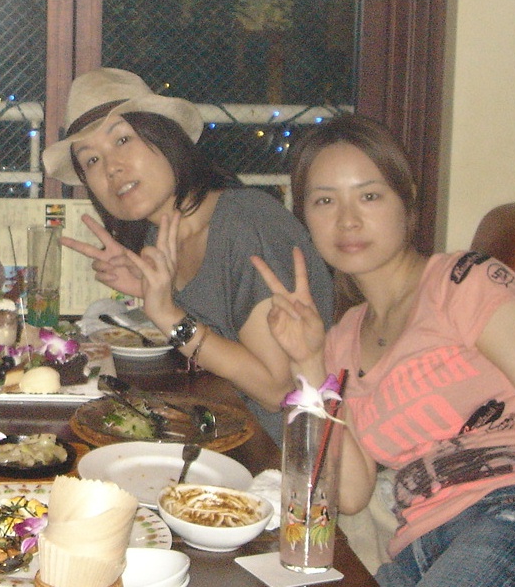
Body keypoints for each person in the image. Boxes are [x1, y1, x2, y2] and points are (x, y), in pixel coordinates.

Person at [253, 114, 515, 586]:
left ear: (406, 201)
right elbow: (350, 495)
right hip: (418, 545)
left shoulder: (465, 281)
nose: (347, 220)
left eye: (369, 196)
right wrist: (308, 361)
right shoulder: (341, 338)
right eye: (325, 201)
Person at [43, 68, 335, 442]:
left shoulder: (245, 223)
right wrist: (151, 292)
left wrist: (168, 315)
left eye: (122, 140)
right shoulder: (161, 238)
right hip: (227, 432)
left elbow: (278, 390)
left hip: (291, 453)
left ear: (166, 137)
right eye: (92, 161)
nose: (112, 168)